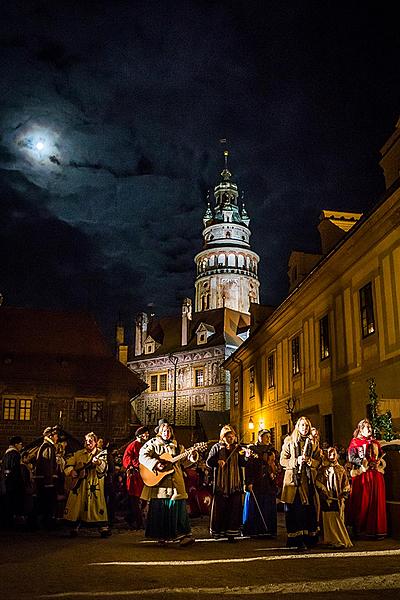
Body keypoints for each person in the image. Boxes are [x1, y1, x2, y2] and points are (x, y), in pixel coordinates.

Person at [139, 419, 197, 547]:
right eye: (164, 431)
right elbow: (142, 455)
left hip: (176, 482)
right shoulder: (153, 444)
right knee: (161, 509)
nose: (167, 433)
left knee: (179, 508)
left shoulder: (177, 446)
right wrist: (155, 463)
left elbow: (184, 463)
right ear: (160, 432)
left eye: (169, 430)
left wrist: (191, 456)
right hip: (160, 484)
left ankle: (183, 536)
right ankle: (162, 535)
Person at [280, 416, 320, 550]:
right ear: (298, 426)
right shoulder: (289, 441)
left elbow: (318, 460)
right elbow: (282, 460)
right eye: (302, 425)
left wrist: (310, 461)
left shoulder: (313, 443)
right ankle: (295, 540)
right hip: (293, 482)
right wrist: (295, 461)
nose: (305, 428)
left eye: (307, 426)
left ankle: (308, 539)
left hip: (307, 482)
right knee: (294, 511)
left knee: (307, 512)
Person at [206, 424, 248, 543]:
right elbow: (209, 462)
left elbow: (243, 463)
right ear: (222, 437)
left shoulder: (238, 449)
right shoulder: (217, 447)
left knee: (234, 509)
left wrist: (246, 457)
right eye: (227, 437)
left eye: (232, 436)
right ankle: (218, 532)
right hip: (221, 484)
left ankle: (231, 533)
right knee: (220, 509)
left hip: (235, 483)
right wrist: (218, 461)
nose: (230, 439)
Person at [64, 431, 110, 537]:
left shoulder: (100, 453)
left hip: (94, 485)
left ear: (95, 442)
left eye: (90, 441)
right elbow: (68, 464)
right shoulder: (78, 454)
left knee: (96, 505)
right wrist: (72, 471)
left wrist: (98, 463)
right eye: (86, 441)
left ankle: (102, 527)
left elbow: (104, 468)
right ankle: (74, 526)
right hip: (79, 486)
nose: (87, 443)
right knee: (77, 506)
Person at [347, 418, 387, 539]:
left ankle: (376, 530)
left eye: (370, 427)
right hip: (362, 476)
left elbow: (380, 456)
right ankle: (361, 530)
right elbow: (351, 458)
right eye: (367, 427)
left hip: (376, 476)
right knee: (363, 503)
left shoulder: (375, 442)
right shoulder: (355, 442)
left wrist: (378, 463)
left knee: (376, 503)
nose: (370, 429)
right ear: (361, 429)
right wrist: (364, 463)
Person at [242, 429, 278, 538]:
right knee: (255, 506)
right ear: (260, 437)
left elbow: (275, 464)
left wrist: (273, 472)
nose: (268, 438)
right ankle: (254, 530)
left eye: (268, 436)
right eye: (265, 436)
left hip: (268, 482)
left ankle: (268, 530)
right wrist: (249, 482)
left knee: (268, 505)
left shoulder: (272, 450)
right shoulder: (253, 449)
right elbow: (249, 467)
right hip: (256, 481)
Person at [315, 447, 353, 548]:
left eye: (333, 454)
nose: (332, 456)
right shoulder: (322, 470)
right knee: (327, 519)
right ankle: (328, 540)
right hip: (327, 499)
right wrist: (323, 493)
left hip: (337, 499)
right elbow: (318, 482)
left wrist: (344, 494)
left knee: (337, 519)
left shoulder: (340, 469)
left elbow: (345, 483)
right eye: (329, 454)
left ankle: (339, 539)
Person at [123, 426, 150, 529]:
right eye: (145, 433)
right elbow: (127, 459)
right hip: (134, 476)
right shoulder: (132, 446)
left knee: (142, 499)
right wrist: (131, 466)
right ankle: (138, 522)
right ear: (140, 435)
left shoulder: (145, 445)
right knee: (134, 500)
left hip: (143, 476)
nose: (147, 435)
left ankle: (133, 519)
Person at [35, 425, 59, 529]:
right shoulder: (47, 447)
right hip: (46, 482)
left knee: (44, 503)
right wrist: (49, 482)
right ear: (51, 436)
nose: (57, 438)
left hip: (45, 481)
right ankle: (45, 524)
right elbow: (47, 465)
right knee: (46, 504)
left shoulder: (47, 446)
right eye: (56, 435)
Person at [0, 435, 24, 528]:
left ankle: (6, 522)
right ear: (16, 444)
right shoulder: (15, 454)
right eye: (20, 444)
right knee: (13, 504)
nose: (21, 446)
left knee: (7, 504)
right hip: (13, 484)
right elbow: (16, 470)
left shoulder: (6, 454)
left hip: (6, 483)